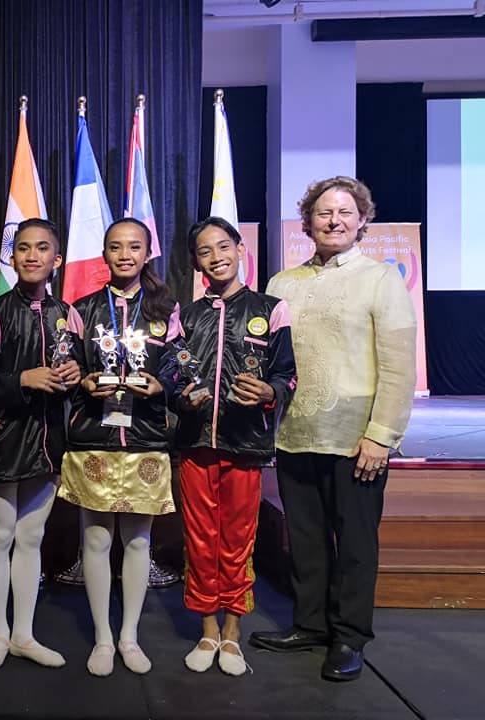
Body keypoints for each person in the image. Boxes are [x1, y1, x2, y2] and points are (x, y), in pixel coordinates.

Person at [249, 177, 417, 681]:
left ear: (362, 220)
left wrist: (381, 435)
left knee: (356, 542)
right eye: (324, 212)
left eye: (345, 212)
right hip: (296, 432)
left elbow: (399, 366)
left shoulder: (379, 279)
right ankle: (310, 623)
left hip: (356, 438)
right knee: (305, 538)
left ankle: (349, 637)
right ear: (308, 221)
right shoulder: (282, 284)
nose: (334, 220)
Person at [60, 218, 181, 677]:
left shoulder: (166, 310)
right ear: (105, 254)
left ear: (148, 252)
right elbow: (66, 367)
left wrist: (162, 384)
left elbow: (178, 366)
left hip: (146, 437)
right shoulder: (82, 309)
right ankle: (102, 638)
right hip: (95, 436)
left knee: (138, 541)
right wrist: (83, 381)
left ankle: (129, 635)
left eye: (134, 246)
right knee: (94, 537)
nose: (125, 254)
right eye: (116, 247)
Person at [176, 217, 297, 676]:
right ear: (195, 262)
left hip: (246, 444)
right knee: (201, 540)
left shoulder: (272, 308)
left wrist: (270, 392)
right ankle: (206, 628)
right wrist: (180, 394)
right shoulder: (185, 316)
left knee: (236, 540)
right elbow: (173, 374)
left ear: (240, 248)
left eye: (223, 246)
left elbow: (287, 374)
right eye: (205, 251)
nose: (216, 257)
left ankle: (232, 632)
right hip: (194, 445)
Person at [0, 218, 82, 671]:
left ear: (57, 259)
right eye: (22, 248)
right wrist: (22, 380)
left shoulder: (67, 313)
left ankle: (24, 634)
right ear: (11, 258)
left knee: (31, 539)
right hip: (2, 442)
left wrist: (73, 377)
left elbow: (73, 374)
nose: (31, 255)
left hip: (49, 444)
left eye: (42, 248)